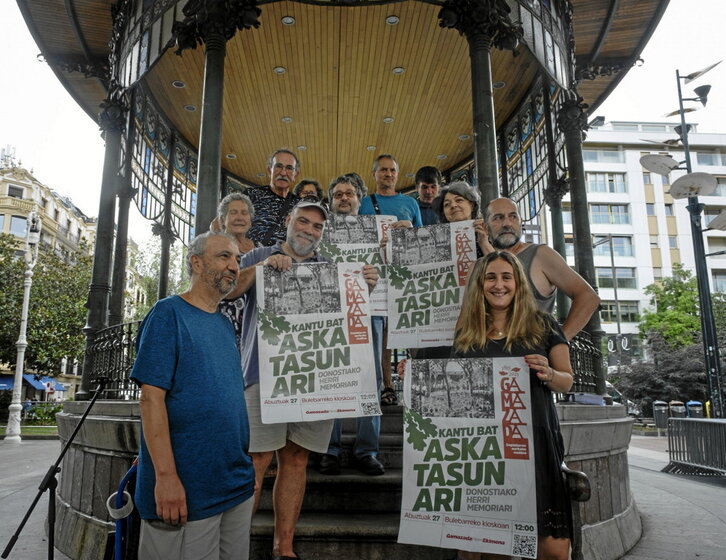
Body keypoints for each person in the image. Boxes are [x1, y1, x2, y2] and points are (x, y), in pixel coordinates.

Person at [236, 200, 379, 559]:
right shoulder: (261, 254)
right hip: (261, 376)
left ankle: (284, 547)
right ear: (288, 222)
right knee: (257, 459)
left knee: (297, 459)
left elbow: (351, 323)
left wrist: (366, 288)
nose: (309, 230)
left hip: (316, 381)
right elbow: (229, 289)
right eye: (303, 221)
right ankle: (233, 545)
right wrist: (261, 267)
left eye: (317, 227)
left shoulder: (333, 269)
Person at [130, 232, 255, 560]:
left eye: (238, 259)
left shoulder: (225, 324)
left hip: (235, 485)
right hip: (187, 493)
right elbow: (150, 399)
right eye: (224, 257)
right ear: (196, 263)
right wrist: (165, 476)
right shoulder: (167, 314)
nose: (234, 266)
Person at [453, 251, 574, 560]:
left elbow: (567, 381)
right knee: (495, 548)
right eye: (490, 278)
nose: (499, 285)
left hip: (536, 445)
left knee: (555, 550)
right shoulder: (466, 332)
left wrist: (549, 373)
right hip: (486, 451)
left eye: (506, 277)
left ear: (518, 283)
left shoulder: (543, 325)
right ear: (480, 285)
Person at [317, 174, 385, 476]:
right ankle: (328, 449)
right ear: (330, 202)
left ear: (360, 199)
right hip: (330, 316)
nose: (344, 198)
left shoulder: (378, 232)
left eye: (350, 194)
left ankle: (366, 451)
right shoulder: (319, 234)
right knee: (332, 379)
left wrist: (401, 233)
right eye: (338, 195)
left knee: (370, 381)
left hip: (370, 311)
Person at [482, 197, 600, 340]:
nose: (507, 223)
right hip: (490, 353)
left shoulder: (541, 255)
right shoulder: (482, 261)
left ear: (520, 222)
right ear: (485, 226)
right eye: (498, 218)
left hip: (532, 356)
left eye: (513, 216)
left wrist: (559, 342)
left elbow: (589, 297)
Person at [359, 154, 422, 406]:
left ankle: (415, 385)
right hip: (373, 276)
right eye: (383, 170)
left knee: (406, 331)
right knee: (379, 332)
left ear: (397, 174)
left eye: (392, 170)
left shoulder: (410, 203)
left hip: (402, 275)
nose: (388, 174)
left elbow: (422, 239)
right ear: (374, 174)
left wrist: (409, 229)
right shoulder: (363, 203)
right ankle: (384, 385)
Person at [214, 192, 257, 349]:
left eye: (244, 213)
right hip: (224, 320)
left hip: (253, 322)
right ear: (223, 220)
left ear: (250, 221)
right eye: (233, 212)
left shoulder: (259, 248)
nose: (239, 217)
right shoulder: (214, 246)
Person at [245, 149, 301, 246]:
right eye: (278, 166)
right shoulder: (251, 195)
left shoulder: (300, 205)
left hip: (285, 260)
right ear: (269, 170)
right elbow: (221, 224)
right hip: (252, 259)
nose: (283, 173)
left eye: (289, 168)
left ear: (295, 174)